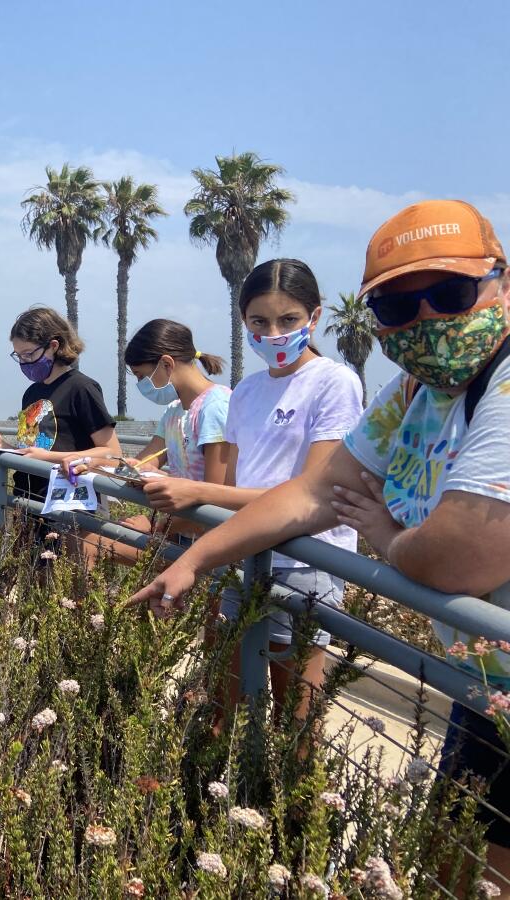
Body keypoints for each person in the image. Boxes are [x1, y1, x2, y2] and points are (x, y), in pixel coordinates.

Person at [128, 201, 510, 884]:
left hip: (487, 672)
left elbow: (460, 553)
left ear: (500, 282)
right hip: (488, 683)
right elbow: (310, 495)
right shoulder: (418, 389)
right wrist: (194, 558)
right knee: (455, 868)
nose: (423, 319)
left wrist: (388, 538)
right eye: (396, 307)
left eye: (448, 293)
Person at [134, 260, 363, 722]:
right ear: (244, 323)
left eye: (288, 320)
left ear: (314, 318)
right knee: (227, 707)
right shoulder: (246, 392)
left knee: (295, 723)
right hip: (241, 554)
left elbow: (312, 496)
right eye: (260, 322)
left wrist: (197, 492)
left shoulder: (334, 382)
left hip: (304, 562)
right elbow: (237, 486)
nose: (274, 333)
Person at [63, 319, 231, 563]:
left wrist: (155, 527)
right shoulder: (175, 411)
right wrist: (92, 465)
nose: (142, 385)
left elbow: (217, 499)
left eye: (141, 376)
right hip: (179, 535)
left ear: (166, 364)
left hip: (207, 545)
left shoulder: (215, 408)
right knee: (82, 540)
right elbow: (141, 463)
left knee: (88, 544)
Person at [0, 305, 121, 560]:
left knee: (67, 585)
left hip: (68, 504)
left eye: (29, 354)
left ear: (54, 346)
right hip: (29, 500)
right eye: (18, 355)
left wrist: (47, 458)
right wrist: (4, 446)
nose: (24, 362)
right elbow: (32, 449)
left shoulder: (82, 388)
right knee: (33, 579)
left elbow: (111, 452)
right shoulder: (32, 393)